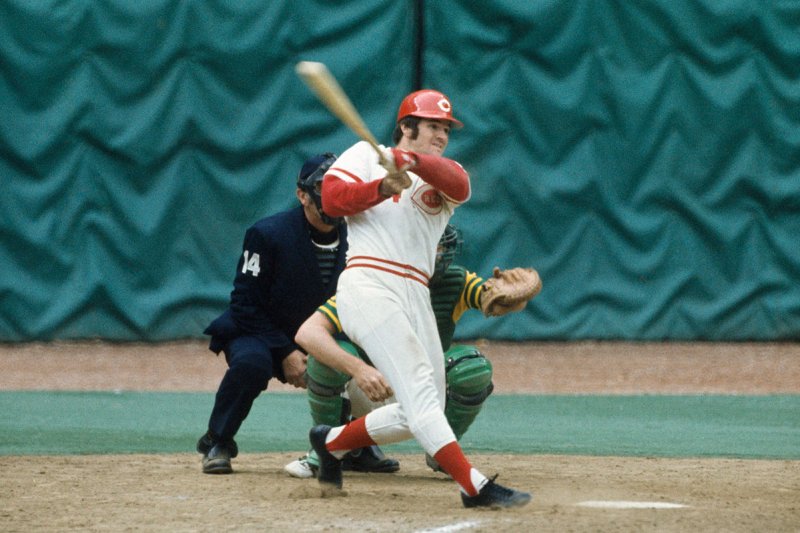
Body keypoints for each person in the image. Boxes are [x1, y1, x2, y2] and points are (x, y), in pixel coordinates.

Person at [306, 89, 532, 508]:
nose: (442, 134)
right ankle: (474, 486)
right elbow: (333, 202)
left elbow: (460, 185)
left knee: (418, 411)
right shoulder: (360, 154)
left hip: (415, 292)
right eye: (432, 126)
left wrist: (410, 164)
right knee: (422, 398)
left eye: (445, 128)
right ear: (406, 127)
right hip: (369, 284)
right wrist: (379, 185)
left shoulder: (444, 170)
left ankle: (330, 442)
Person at [196, 152, 394, 475]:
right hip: (261, 331)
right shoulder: (267, 234)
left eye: (339, 190)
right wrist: (286, 351)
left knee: (360, 354)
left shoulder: (360, 237)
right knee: (251, 364)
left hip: (321, 332)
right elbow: (245, 304)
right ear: (302, 195)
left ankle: (353, 445)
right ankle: (218, 440)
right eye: (323, 191)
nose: (331, 200)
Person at [286, 224, 508, 479]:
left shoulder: (454, 281)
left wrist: (511, 296)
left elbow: (492, 301)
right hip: (373, 388)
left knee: (471, 368)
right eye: (428, 242)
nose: (437, 251)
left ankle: (443, 452)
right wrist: (358, 369)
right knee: (324, 361)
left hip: (427, 390)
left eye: (440, 245)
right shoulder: (371, 282)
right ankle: (323, 450)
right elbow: (308, 333)